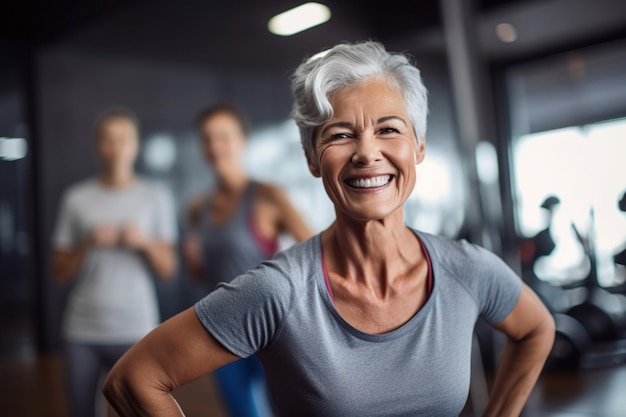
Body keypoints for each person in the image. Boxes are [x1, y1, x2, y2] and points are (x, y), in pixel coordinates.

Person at [103, 41, 555, 417]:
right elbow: (133, 379)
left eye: (388, 129)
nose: (367, 152)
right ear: (313, 158)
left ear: (418, 146)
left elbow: (537, 329)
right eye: (340, 134)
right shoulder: (278, 292)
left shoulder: (466, 270)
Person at [182, 102, 313, 416]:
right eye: (208, 138)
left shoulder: (269, 195)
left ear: (243, 140)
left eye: (224, 136)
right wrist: (193, 262)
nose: (215, 146)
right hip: (220, 331)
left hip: (269, 330)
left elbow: (313, 250)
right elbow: (205, 276)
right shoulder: (198, 207)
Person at [51, 107, 178, 417]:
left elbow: (168, 270)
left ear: (135, 145)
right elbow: (59, 272)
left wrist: (145, 243)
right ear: (98, 146)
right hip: (82, 329)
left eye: (124, 139)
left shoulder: (155, 196)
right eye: (109, 139)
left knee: (137, 412)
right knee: (81, 411)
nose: (117, 146)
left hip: (137, 327)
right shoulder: (75, 198)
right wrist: (89, 242)